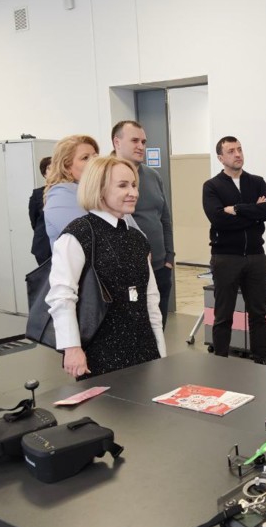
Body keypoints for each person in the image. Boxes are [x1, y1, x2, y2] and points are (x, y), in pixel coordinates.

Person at [46, 155, 166, 379]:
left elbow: (150, 299)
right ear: (99, 189)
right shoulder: (78, 235)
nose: (133, 192)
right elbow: (62, 296)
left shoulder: (137, 238)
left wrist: (160, 350)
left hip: (143, 348)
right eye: (123, 185)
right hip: (99, 353)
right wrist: (72, 348)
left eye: (134, 185)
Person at [202, 136, 266, 365]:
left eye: (239, 149)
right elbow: (218, 219)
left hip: (255, 256)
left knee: (258, 314)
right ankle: (221, 362)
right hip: (226, 258)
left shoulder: (256, 182)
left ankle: (261, 360)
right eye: (231, 151)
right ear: (220, 158)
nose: (237, 154)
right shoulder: (212, 186)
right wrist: (255, 212)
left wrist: (236, 209)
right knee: (223, 315)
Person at [111, 120, 175, 327]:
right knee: (134, 330)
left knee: (158, 327)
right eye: (134, 141)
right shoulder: (105, 176)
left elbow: (165, 219)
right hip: (128, 271)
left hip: (160, 267)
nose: (141, 146)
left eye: (143, 141)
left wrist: (169, 258)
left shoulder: (153, 176)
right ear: (117, 142)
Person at [43, 135, 141, 249]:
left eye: (95, 155)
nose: (94, 161)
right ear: (67, 167)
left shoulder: (99, 189)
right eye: (85, 158)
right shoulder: (60, 196)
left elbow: (137, 234)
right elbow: (94, 240)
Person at [28, 156, 53, 265]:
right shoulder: (38, 194)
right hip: (44, 247)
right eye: (50, 168)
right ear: (44, 173)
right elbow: (34, 222)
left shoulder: (69, 191)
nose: (55, 171)